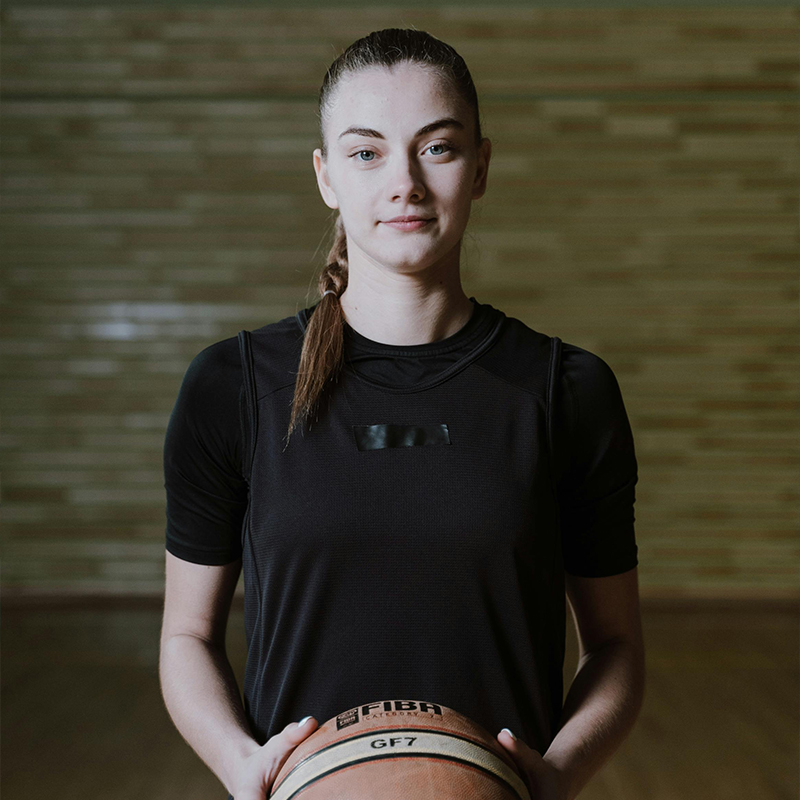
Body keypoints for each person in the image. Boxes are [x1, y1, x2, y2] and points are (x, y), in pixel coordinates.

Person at [159, 28, 646, 800]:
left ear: (480, 167)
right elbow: (186, 637)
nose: (405, 183)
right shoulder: (232, 386)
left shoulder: (566, 391)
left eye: (438, 148)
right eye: (366, 152)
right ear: (326, 177)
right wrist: (237, 763)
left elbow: (615, 645)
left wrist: (561, 771)